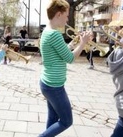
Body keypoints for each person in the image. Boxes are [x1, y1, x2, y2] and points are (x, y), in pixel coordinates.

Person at [39, 0, 92, 136]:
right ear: (58, 14)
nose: (68, 18)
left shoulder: (47, 31)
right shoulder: (55, 34)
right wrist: (82, 43)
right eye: (66, 15)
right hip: (54, 86)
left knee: (53, 118)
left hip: (47, 83)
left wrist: (74, 44)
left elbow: (62, 53)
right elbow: (70, 59)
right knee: (66, 121)